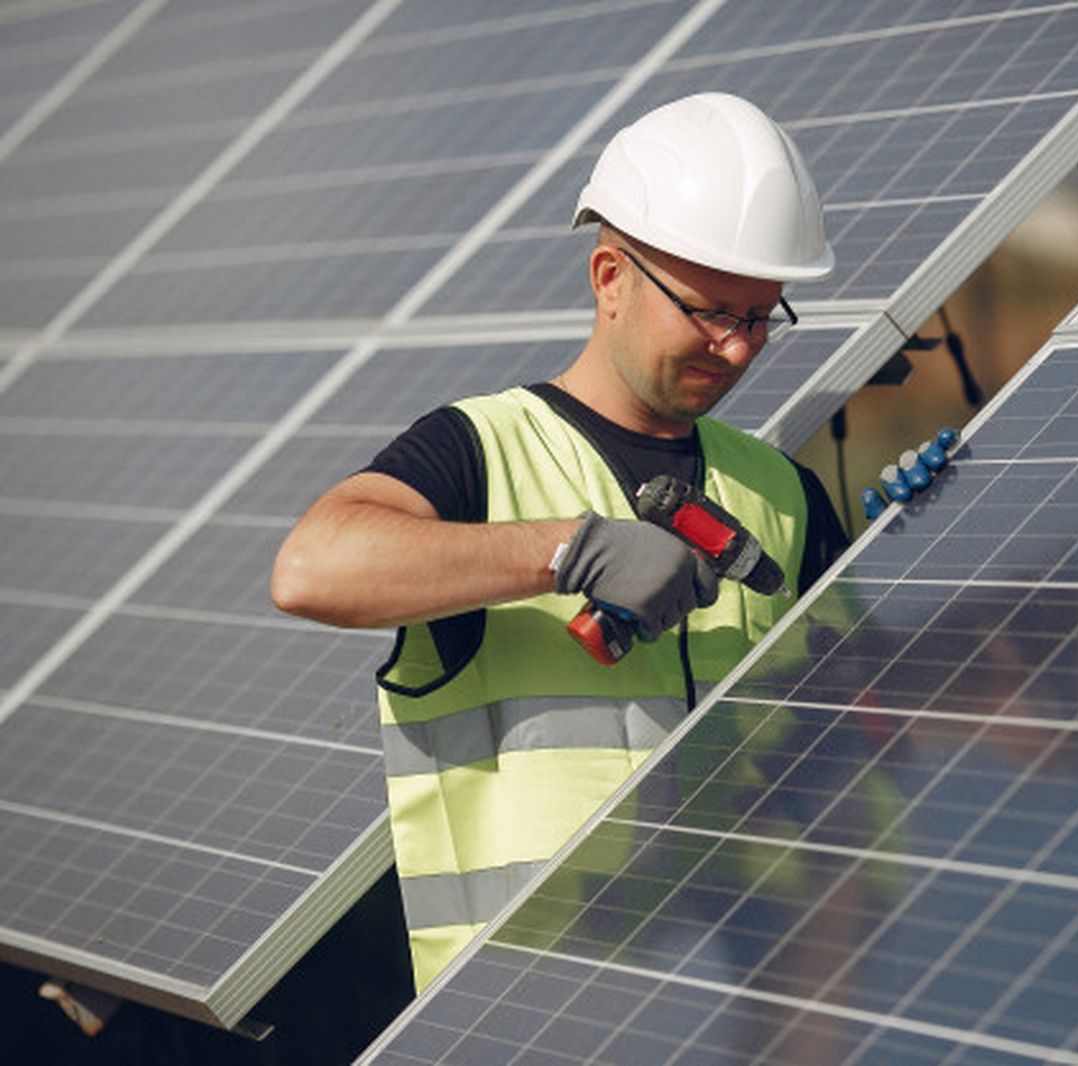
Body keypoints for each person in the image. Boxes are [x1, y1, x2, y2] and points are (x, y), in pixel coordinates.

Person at [271, 92, 849, 991]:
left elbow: (869, 735)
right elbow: (312, 567)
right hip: (519, 1013)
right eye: (707, 311)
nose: (735, 349)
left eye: (760, 317)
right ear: (610, 276)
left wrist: (929, 538)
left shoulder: (786, 494)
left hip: (732, 1005)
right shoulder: (481, 451)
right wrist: (567, 550)